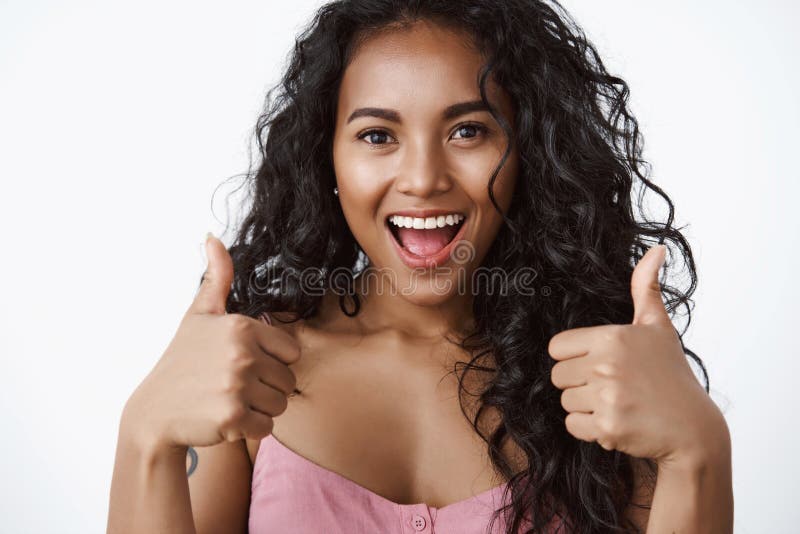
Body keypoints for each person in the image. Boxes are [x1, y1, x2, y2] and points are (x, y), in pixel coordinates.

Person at [107, 1, 733, 533]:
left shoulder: (602, 376)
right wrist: (146, 436)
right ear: (326, 161)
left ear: (530, 154)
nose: (424, 179)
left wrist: (698, 450)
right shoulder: (253, 370)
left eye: (468, 131)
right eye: (378, 136)